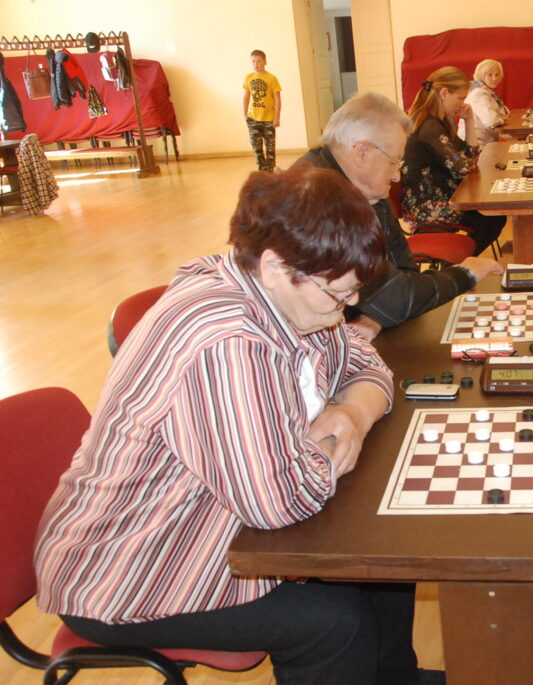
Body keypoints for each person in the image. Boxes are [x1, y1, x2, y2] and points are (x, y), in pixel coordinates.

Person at [34, 166, 443, 685]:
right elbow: (278, 501)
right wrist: (321, 448)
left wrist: (352, 416)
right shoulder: (227, 342)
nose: (350, 308)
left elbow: (367, 363)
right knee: (336, 622)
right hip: (129, 567)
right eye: (338, 295)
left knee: (380, 565)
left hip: (207, 524)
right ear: (275, 266)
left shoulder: (288, 296)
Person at [295, 91, 503, 341]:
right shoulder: (318, 200)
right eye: (393, 162)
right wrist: (465, 273)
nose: (396, 176)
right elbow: (398, 298)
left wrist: (376, 317)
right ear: (362, 152)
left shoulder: (366, 188)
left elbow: (404, 272)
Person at [402, 66, 506, 256]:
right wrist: (468, 158)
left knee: (493, 217)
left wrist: (469, 121)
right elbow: (466, 167)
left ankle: (462, 263)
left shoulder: (441, 120)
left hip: (443, 197)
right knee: (491, 219)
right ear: (444, 93)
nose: (463, 103)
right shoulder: (429, 127)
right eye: (460, 98)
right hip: (426, 208)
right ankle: (460, 264)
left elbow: (469, 155)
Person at [242, 49, 281, 171]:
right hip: (253, 119)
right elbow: (246, 97)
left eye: (258, 61)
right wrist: (245, 114)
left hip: (268, 119)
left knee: (270, 147)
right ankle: (261, 169)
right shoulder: (249, 78)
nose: (256, 64)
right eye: (253, 61)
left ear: (265, 62)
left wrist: (276, 118)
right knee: (256, 147)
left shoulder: (272, 78)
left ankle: (270, 170)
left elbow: (277, 99)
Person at [460, 59, 509, 146]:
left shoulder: (487, 91)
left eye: (497, 74)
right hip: (475, 146)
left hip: (485, 142)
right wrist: (502, 120)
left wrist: (500, 117)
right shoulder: (479, 93)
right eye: (490, 75)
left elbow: (504, 112)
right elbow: (491, 121)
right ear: (481, 75)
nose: (494, 78)